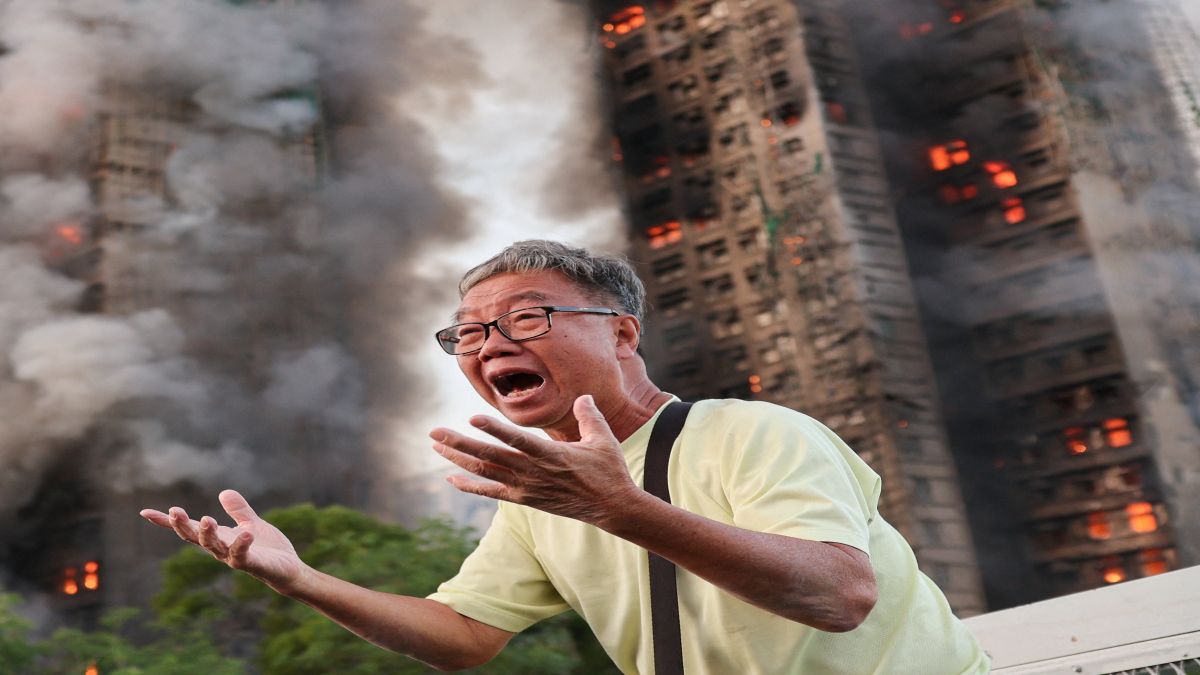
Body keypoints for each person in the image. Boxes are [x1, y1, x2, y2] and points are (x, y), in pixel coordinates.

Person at [141, 239, 989, 673]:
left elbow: (839, 594)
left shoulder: (755, 433)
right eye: (468, 332)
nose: (487, 343)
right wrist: (302, 580)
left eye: (525, 317)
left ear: (622, 332)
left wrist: (619, 509)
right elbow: (464, 636)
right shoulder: (542, 500)